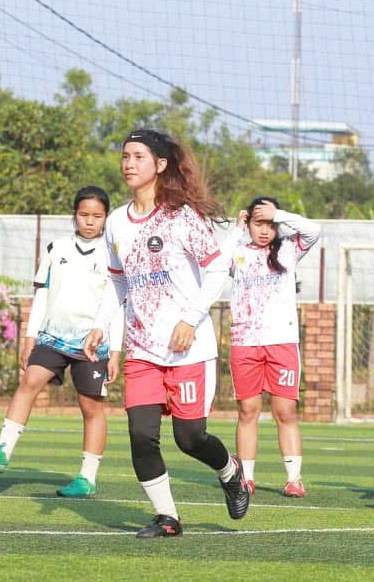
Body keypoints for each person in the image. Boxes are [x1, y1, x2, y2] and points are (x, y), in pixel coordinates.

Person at [84, 129, 249, 538]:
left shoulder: (181, 217)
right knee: (141, 435)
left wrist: (190, 319)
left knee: (190, 439)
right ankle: (168, 517)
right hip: (142, 349)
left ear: (159, 165)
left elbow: (216, 270)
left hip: (188, 350)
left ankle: (230, 471)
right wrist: (102, 327)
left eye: (138, 156)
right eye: (124, 156)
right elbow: (118, 283)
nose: (128, 163)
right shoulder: (117, 222)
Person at [0, 186, 123, 497]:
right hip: (52, 337)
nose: (90, 221)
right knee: (29, 381)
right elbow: (41, 294)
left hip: (92, 345)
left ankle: (86, 478)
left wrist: (116, 351)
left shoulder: (112, 255)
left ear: (105, 218)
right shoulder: (57, 248)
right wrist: (29, 336)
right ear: (74, 215)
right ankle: (3, 450)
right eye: (84, 215)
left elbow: (118, 303)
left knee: (90, 407)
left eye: (97, 216)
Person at [223, 197, 320, 498]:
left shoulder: (288, 249)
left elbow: (314, 230)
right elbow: (216, 260)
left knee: (285, 411)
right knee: (248, 410)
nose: (264, 230)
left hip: (281, 342)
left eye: (270, 224)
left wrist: (280, 214)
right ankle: (246, 478)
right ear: (248, 223)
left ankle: (293, 479)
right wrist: (235, 230)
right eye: (258, 223)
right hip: (245, 343)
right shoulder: (237, 252)